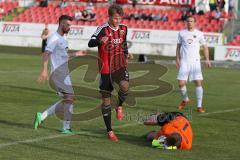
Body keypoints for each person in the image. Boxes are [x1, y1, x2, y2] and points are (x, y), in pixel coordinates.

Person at [88, 4, 133, 142]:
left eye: (119, 18)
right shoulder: (102, 29)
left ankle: (119, 106)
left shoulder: (124, 29)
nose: (117, 21)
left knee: (125, 87)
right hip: (105, 69)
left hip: (119, 66)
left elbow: (123, 43)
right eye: (115, 18)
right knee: (106, 101)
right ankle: (109, 131)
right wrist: (99, 41)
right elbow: (90, 42)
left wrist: (127, 53)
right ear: (109, 17)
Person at [34, 15, 86, 134]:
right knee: (69, 98)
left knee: (68, 99)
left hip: (65, 74)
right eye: (68, 25)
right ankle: (65, 127)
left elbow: (64, 56)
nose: (69, 27)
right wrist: (44, 70)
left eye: (70, 25)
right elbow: (46, 53)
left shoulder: (63, 39)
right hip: (57, 74)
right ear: (62, 24)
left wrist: (76, 54)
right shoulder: (54, 38)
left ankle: (42, 116)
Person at [176, 16, 211, 113]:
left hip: (195, 61)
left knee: (198, 82)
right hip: (184, 61)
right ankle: (185, 99)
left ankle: (199, 106)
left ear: (195, 23)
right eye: (188, 21)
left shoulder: (199, 34)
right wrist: (177, 59)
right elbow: (178, 47)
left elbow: (205, 47)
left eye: (191, 21)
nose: (189, 23)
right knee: (181, 83)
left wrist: (207, 59)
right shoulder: (181, 33)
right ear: (186, 22)